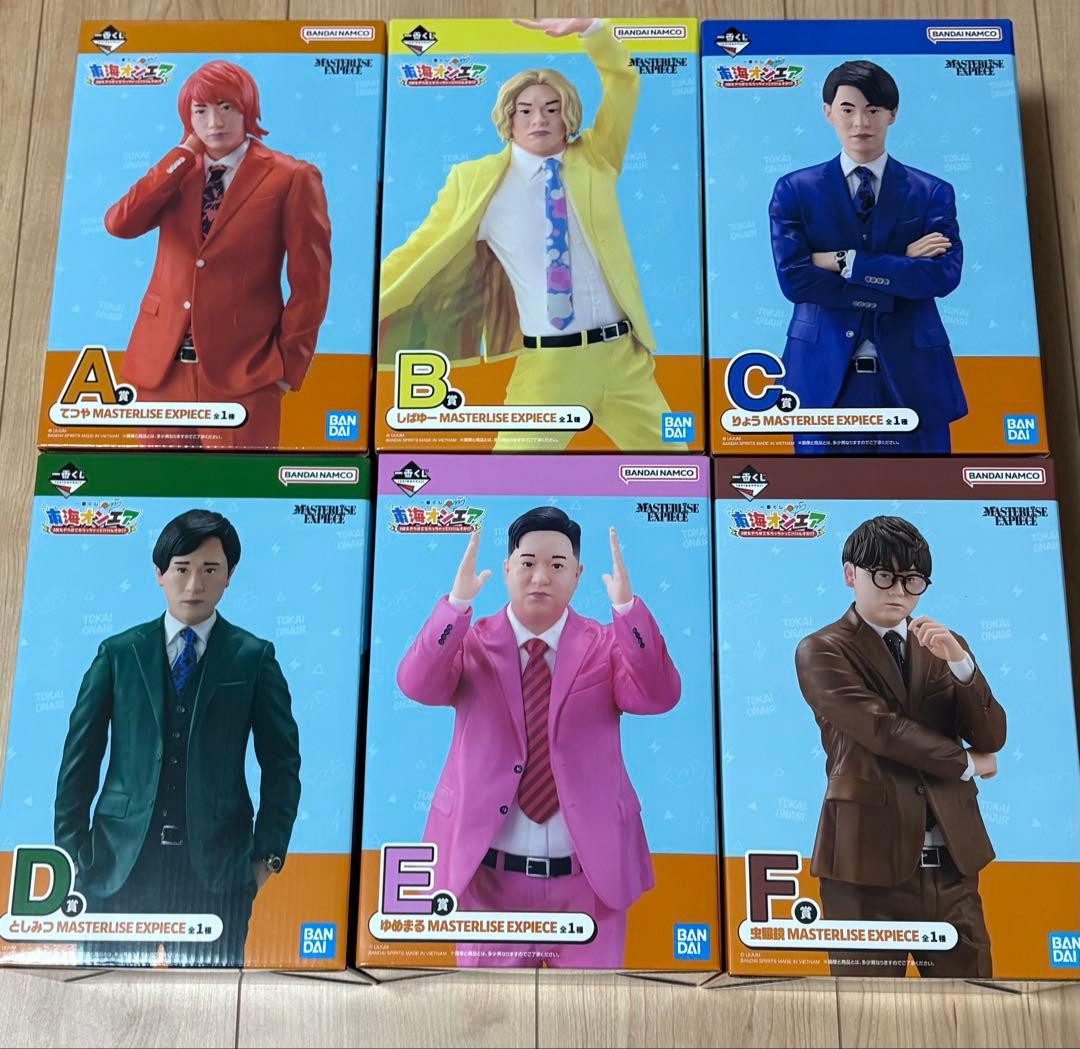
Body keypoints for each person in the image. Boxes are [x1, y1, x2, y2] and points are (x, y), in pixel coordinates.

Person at [380, 18, 681, 451]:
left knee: (673, 469)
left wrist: (592, 30)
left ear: (567, 116)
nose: (539, 118)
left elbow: (623, 84)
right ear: (509, 117)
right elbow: (420, 249)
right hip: (548, 366)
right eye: (525, 110)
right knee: (511, 473)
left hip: (624, 359)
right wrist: (367, 302)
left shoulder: (595, 159)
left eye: (552, 108)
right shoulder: (475, 180)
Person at [396, 507, 680, 967]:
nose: (541, 577)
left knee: (593, 1008)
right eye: (527, 562)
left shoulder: (606, 644)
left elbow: (658, 695)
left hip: (589, 879)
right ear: (507, 568)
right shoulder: (471, 641)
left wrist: (627, 611)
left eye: (557, 564)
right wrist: (456, 604)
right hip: (486, 877)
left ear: (578, 574)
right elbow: (416, 683)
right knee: (485, 1008)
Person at [54, 510, 302, 966]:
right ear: (159, 573)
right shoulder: (118, 653)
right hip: (115, 864)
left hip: (218, 869)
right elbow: (79, 758)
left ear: (229, 575)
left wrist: (266, 858)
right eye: (181, 568)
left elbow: (282, 764)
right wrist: (71, 854)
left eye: (210, 570)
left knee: (212, 996)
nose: (193, 585)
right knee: (101, 989)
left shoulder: (254, 657)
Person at [795, 516, 1006, 977]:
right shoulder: (822, 649)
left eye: (912, 580)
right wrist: (967, 763)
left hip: (952, 864)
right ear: (850, 574)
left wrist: (963, 666)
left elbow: (992, 737)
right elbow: (881, 729)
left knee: (974, 1003)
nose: (899, 591)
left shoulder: (945, 645)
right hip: (863, 867)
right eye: (884, 576)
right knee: (863, 1008)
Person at [104, 60, 332, 448]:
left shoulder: (292, 177)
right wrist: (181, 154)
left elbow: (311, 283)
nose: (214, 122)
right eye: (201, 111)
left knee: (241, 482)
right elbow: (119, 224)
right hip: (161, 371)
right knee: (156, 481)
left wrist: (286, 369)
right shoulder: (176, 172)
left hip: (245, 373)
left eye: (226, 107)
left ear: (247, 109)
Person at [769, 60, 965, 454]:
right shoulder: (794, 189)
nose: (861, 122)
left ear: (892, 114)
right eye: (848, 109)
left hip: (914, 379)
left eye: (873, 109)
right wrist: (901, 263)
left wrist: (845, 261)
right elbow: (795, 280)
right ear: (828, 112)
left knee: (927, 486)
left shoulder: (932, 191)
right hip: (821, 378)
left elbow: (942, 276)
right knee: (820, 485)